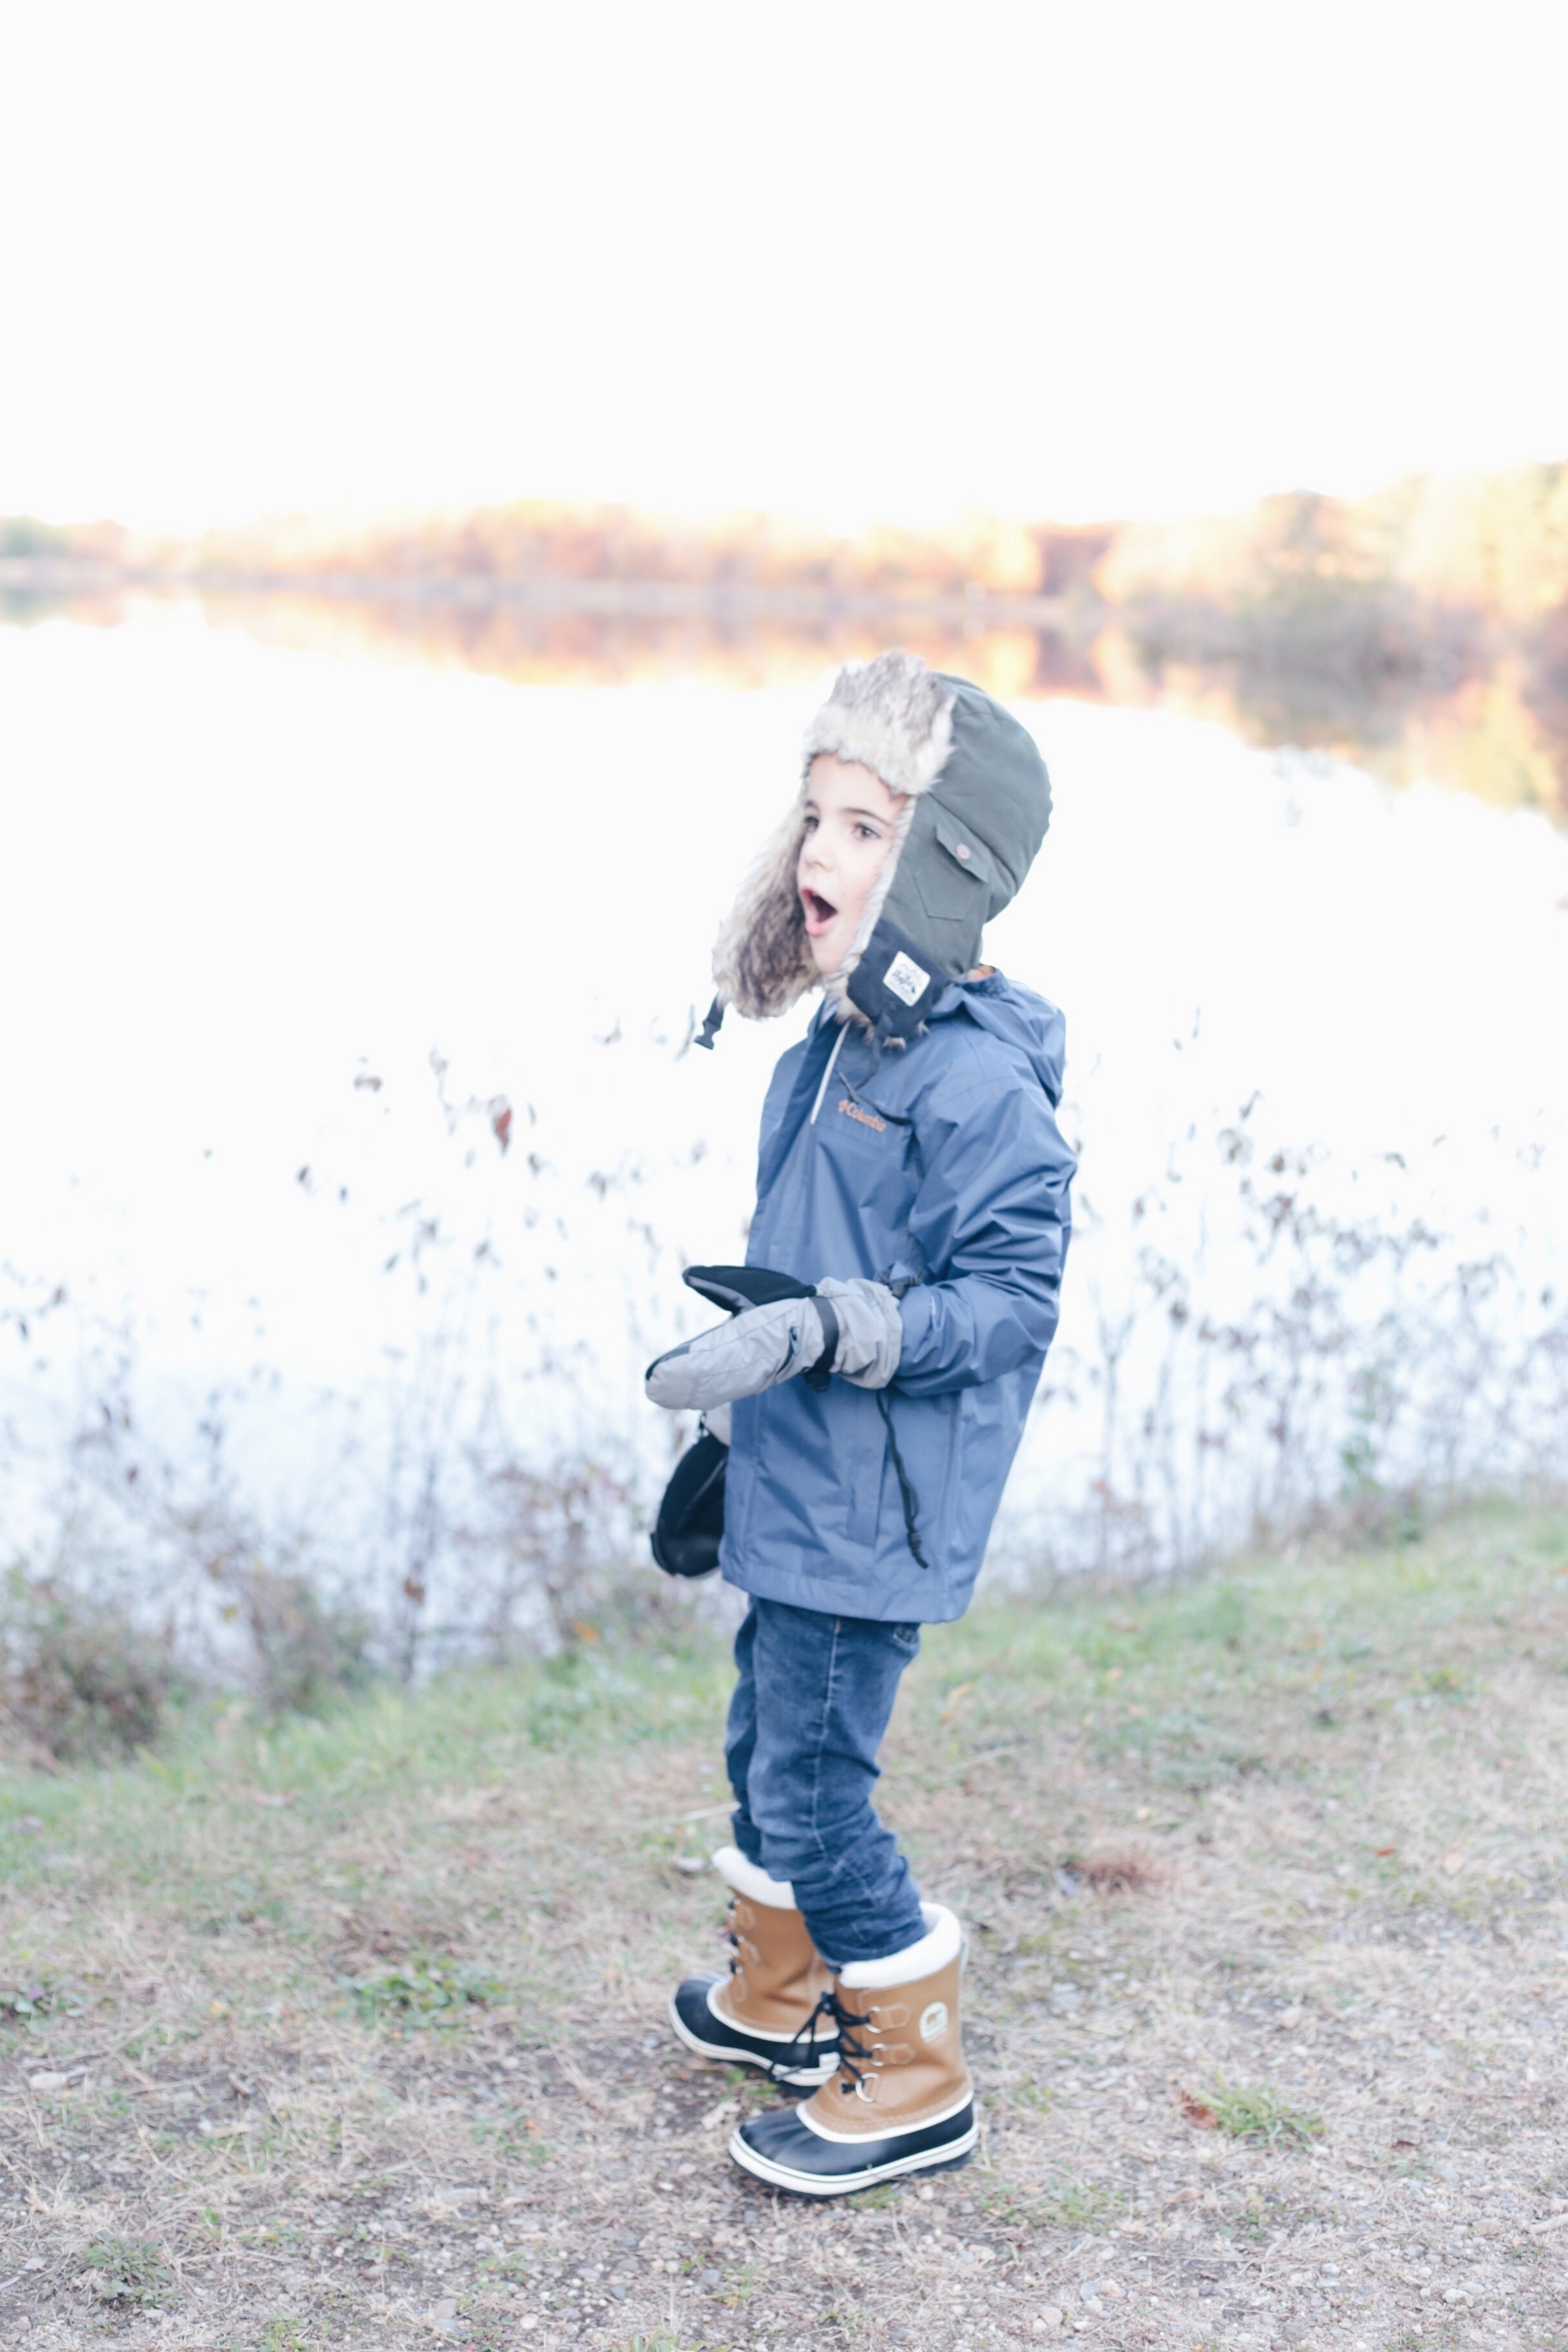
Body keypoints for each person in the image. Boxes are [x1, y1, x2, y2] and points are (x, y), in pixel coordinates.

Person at [645, 649, 1075, 2196]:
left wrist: (841, 1327)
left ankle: (912, 2078)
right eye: (815, 818)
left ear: (942, 867)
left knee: (821, 1793)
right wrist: (743, 1406)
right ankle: (779, 1999)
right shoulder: (842, 1044)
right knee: (769, 1742)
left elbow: (1011, 1299)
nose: (823, 854)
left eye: (867, 829)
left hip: (870, 1513)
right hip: (798, 1478)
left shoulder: (972, 1081)